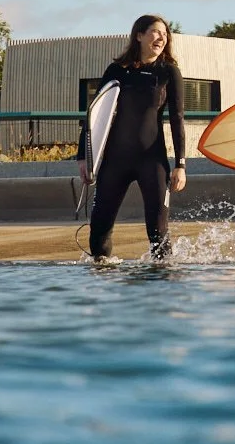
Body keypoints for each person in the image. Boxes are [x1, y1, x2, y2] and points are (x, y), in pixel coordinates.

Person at [77, 15, 187, 260]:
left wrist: (180, 164)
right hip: (116, 160)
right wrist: (84, 156)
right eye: (155, 32)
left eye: (165, 34)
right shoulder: (117, 70)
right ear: (139, 35)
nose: (161, 37)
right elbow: (94, 114)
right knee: (99, 229)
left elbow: (178, 118)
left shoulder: (168, 72)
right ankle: (103, 281)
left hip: (152, 160)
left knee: (158, 231)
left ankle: (161, 282)